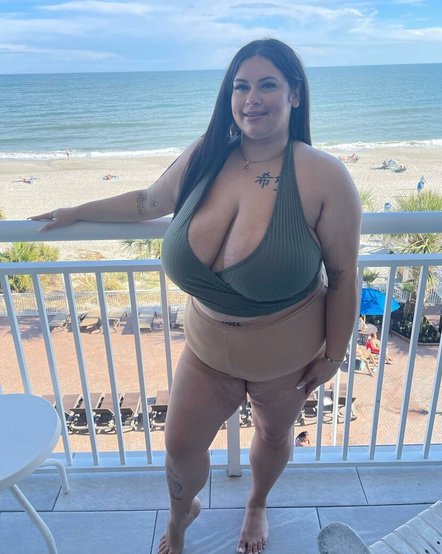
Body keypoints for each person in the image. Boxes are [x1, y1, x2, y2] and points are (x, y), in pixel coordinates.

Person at [30, 39, 361, 554]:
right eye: (241, 86)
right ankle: (181, 516)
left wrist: (335, 356)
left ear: (295, 94)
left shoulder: (324, 176)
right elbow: (147, 202)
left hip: (287, 357)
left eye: (268, 85)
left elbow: (342, 276)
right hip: (207, 349)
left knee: (274, 437)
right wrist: (75, 212)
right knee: (181, 445)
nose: (251, 98)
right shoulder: (206, 154)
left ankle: (256, 504)